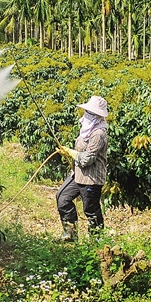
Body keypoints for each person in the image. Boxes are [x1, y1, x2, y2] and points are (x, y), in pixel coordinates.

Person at [55, 95, 109, 241]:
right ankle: (70, 235)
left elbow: (87, 159)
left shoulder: (98, 134)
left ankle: (96, 241)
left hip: (91, 178)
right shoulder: (86, 129)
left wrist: (70, 152)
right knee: (62, 197)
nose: (87, 115)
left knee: (91, 210)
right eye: (87, 112)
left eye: (91, 113)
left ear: (98, 116)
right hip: (77, 174)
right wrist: (68, 152)